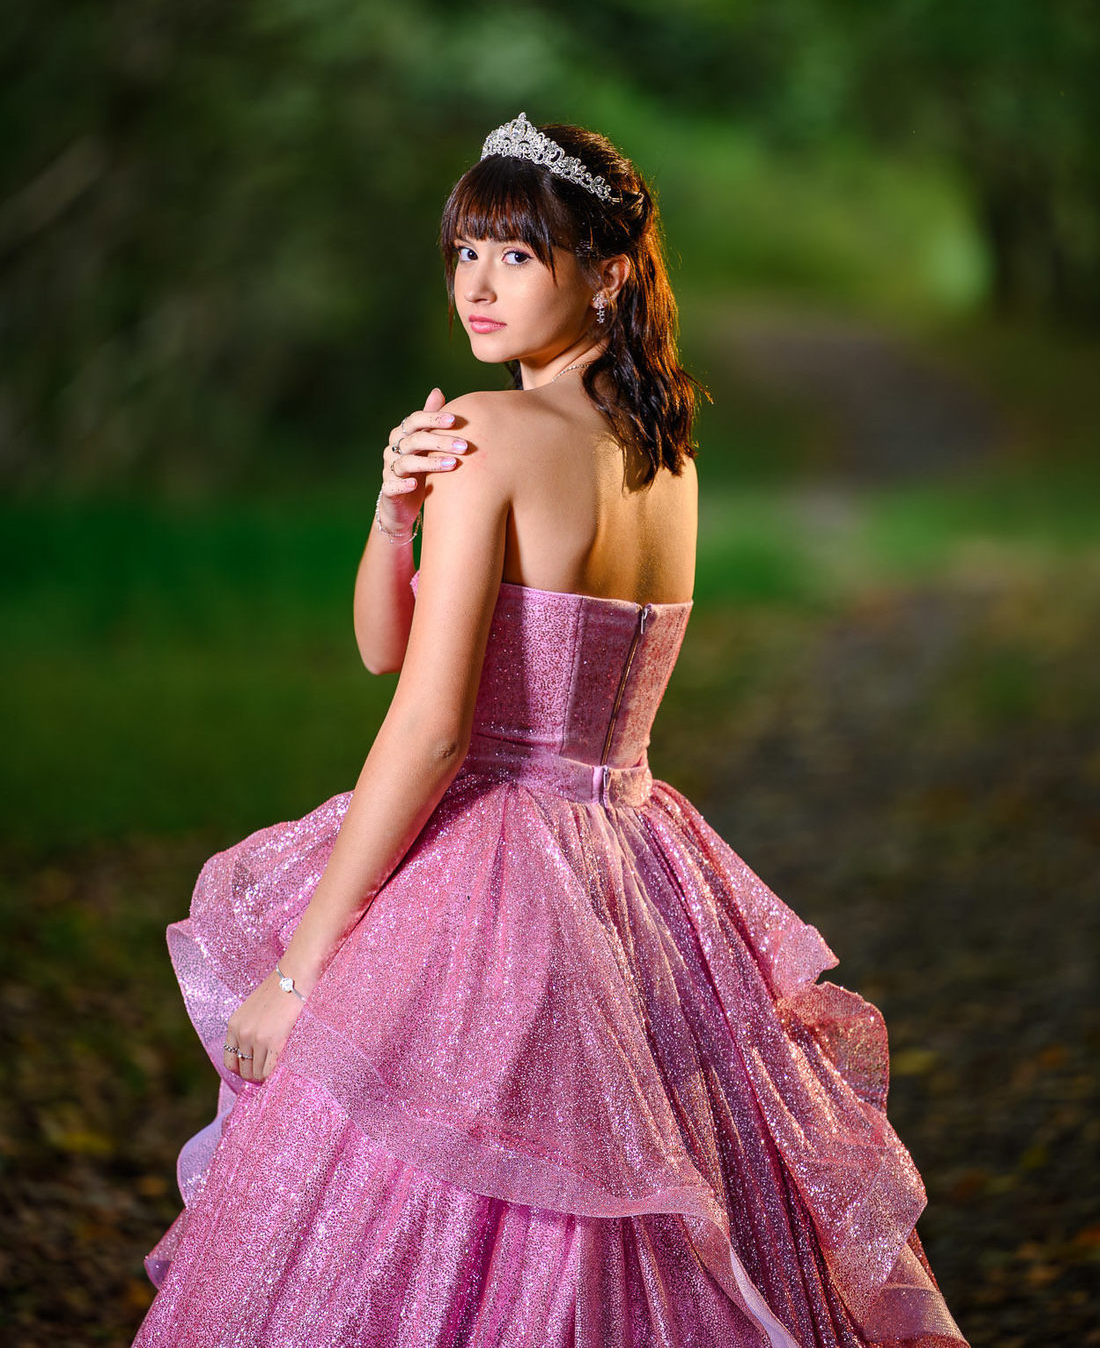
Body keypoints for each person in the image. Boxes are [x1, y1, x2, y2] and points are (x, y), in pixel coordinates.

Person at [134, 115, 967, 1348]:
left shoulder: (497, 431)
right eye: (465, 249)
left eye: (517, 255)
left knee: (439, 1213)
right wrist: (392, 511)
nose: (476, 284)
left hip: (503, 875)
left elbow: (426, 726)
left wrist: (302, 969)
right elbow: (389, 643)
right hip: (637, 862)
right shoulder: (662, 451)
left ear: (608, 271)